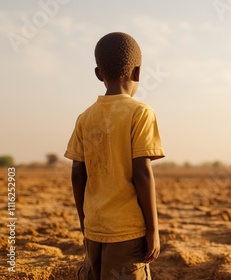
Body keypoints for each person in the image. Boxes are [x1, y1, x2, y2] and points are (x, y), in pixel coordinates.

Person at [64, 32, 165, 279]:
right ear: (138, 73)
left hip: (94, 228)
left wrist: (84, 222)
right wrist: (153, 230)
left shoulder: (85, 117)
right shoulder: (140, 112)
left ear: (99, 74)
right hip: (128, 232)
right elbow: (142, 173)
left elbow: (77, 173)